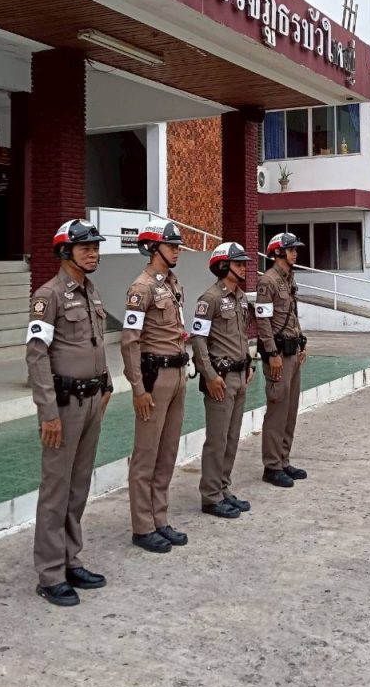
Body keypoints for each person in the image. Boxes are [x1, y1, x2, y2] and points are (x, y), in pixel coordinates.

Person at [27, 219, 112, 607]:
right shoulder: (49, 296)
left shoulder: (91, 292)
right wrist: (48, 412)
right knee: (56, 490)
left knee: (78, 487)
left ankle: (70, 560)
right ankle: (50, 573)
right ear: (66, 252)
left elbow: (97, 343)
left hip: (91, 400)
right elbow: (36, 356)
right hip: (63, 406)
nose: (93, 253)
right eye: (85, 248)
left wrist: (106, 384)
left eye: (95, 247)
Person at [121, 218, 188, 553]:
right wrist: (137, 388)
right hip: (155, 378)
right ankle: (142, 526)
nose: (177, 251)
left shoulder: (172, 283)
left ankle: (159, 518)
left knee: (167, 452)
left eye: (177, 246)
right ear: (152, 247)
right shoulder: (141, 288)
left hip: (177, 373)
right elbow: (129, 342)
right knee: (146, 455)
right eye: (171, 246)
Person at [191, 241, 255, 519]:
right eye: (238, 263)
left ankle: (223, 488)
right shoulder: (210, 298)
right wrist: (209, 375)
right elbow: (198, 340)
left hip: (240, 375)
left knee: (231, 437)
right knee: (217, 439)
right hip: (220, 379)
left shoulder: (241, 298)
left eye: (243, 263)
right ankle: (210, 495)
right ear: (222, 266)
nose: (243, 268)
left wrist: (249, 362)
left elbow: (241, 336)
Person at [255, 231, 308, 488]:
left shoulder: (289, 279)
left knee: (290, 411)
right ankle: (272, 465)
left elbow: (292, 315)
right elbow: (263, 321)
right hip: (278, 355)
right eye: (291, 249)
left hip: (292, 351)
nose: (295, 253)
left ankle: (284, 459)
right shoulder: (269, 281)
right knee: (277, 411)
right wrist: (272, 353)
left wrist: (301, 342)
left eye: (295, 249)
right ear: (278, 252)